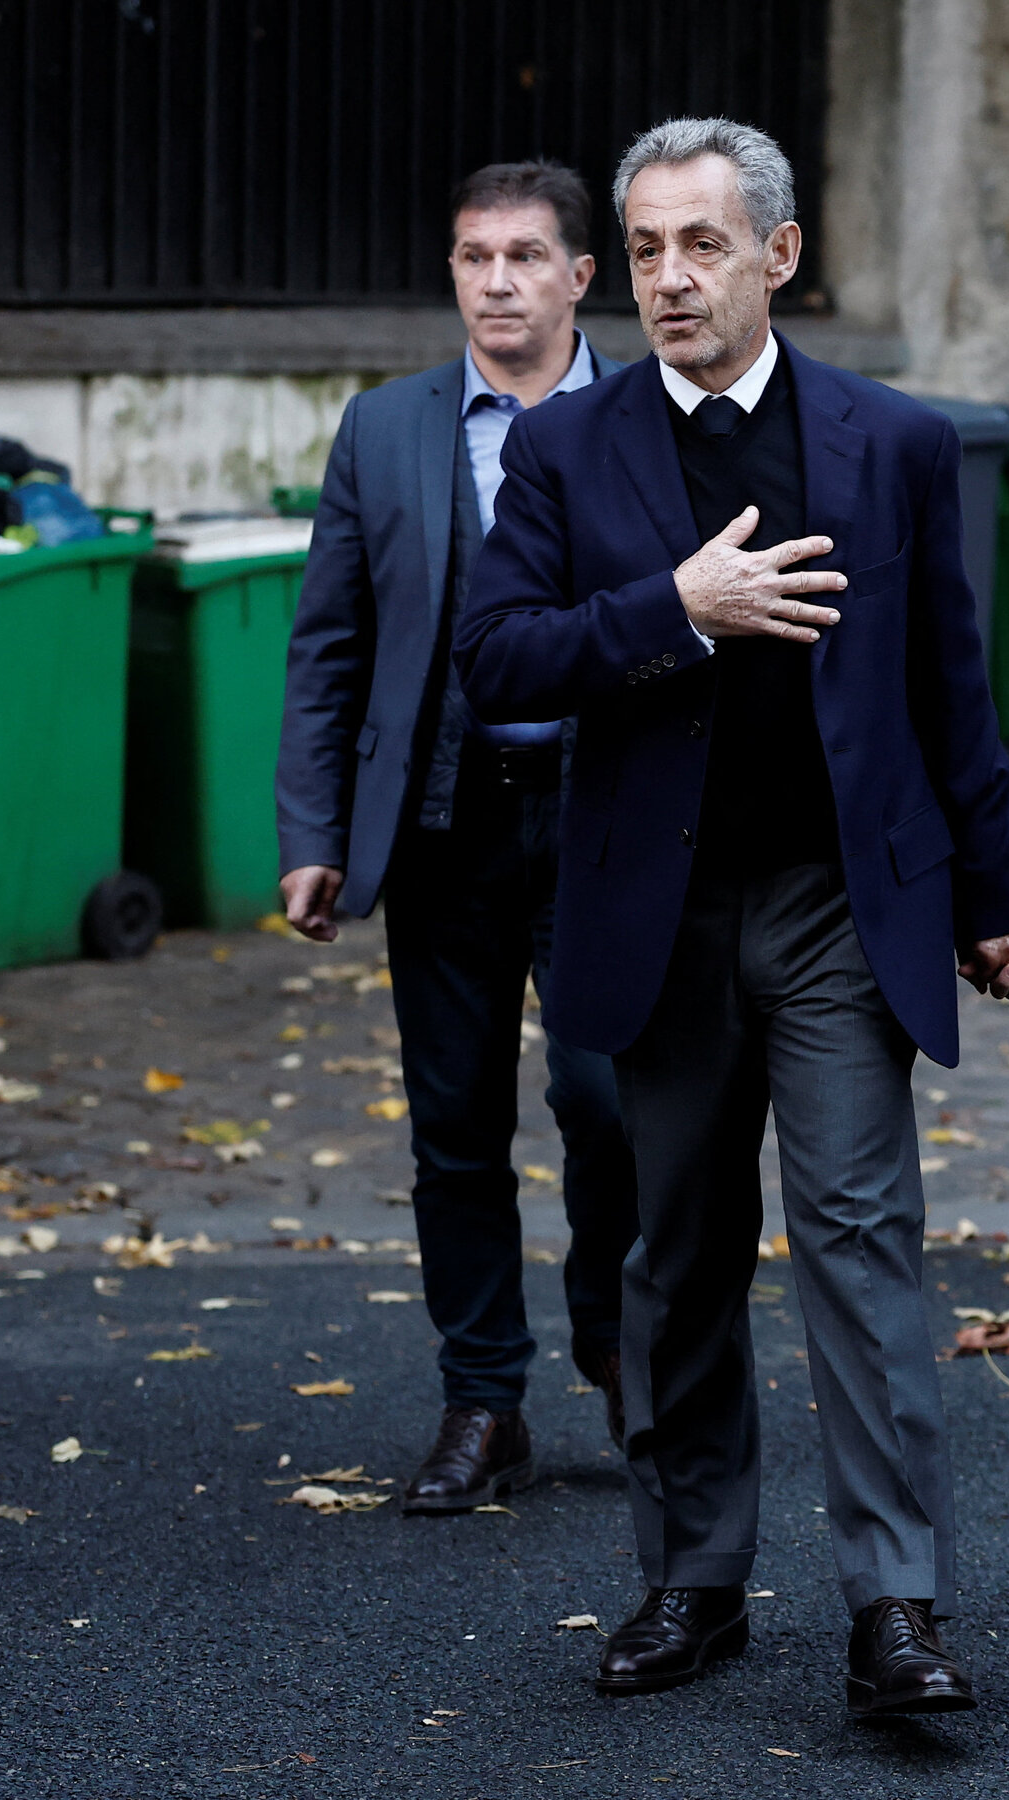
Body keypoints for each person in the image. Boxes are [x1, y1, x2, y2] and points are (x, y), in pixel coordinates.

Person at [454, 117, 1009, 1712]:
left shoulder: (893, 442)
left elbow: (948, 684)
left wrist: (997, 894)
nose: (669, 278)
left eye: (702, 244)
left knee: (859, 1240)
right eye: (648, 248)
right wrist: (675, 610)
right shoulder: (567, 449)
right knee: (684, 1255)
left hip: (837, 906)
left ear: (779, 256)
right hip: (659, 910)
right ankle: (695, 1579)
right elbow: (498, 658)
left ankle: (896, 1607)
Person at [275, 159, 640, 1509]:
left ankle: (615, 1333)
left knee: (610, 1104)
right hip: (439, 822)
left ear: (580, 277)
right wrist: (311, 829)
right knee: (453, 1126)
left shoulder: (651, 417)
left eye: (525, 257)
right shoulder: (384, 429)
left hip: (604, 820)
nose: (497, 283)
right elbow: (329, 645)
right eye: (474, 258)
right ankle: (484, 1399)